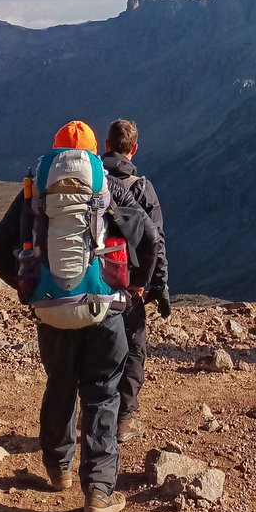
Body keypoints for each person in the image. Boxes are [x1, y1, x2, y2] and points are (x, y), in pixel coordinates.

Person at [0, 119, 156, 512]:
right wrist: (135, 288)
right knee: (102, 392)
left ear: (55, 153)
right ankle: (98, 491)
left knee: (60, 384)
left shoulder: (34, 192)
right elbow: (148, 237)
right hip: (103, 308)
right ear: (93, 156)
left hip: (51, 310)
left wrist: (29, 289)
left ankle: (58, 469)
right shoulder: (106, 188)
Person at [101, 117, 170, 444]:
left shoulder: (91, 183)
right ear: (135, 149)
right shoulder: (142, 188)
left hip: (89, 283)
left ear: (106, 146)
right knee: (133, 349)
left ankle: (91, 416)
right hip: (128, 284)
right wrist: (156, 286)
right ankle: (124, 419)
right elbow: (157, 240)